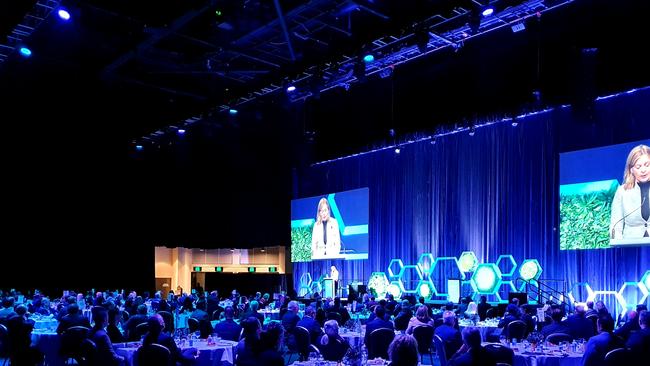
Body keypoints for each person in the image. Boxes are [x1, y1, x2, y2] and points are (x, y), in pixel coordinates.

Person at [610, 144, 650, 241]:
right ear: (631, 170)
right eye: (638, 166)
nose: (643, 170)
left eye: (647, 165)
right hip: (632, 246)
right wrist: (617, 245)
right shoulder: (622, 192)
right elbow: (616, 225)